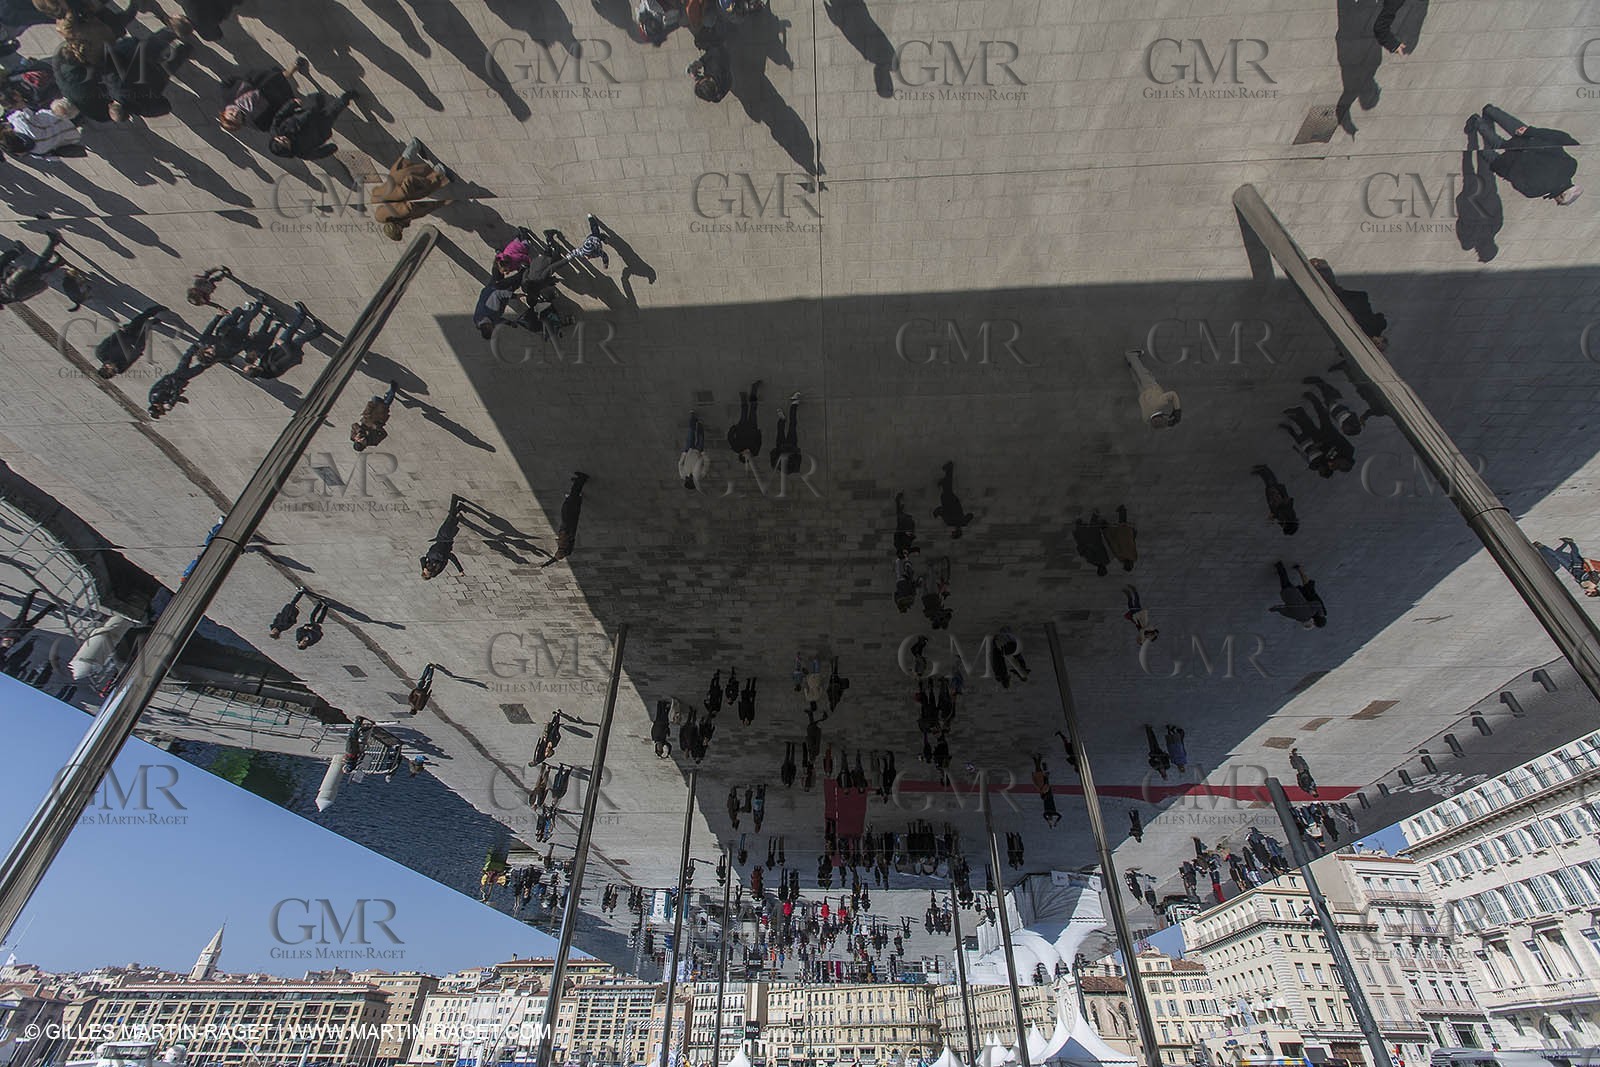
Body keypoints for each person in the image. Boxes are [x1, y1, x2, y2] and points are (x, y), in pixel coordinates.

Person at [1469, 106, 1582, 205]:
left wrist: (1531, 132)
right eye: (1558, 201)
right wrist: (1505, 168)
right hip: (1509, 162)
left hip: (1530, 143)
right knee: (1496, 145)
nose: (1555, 201)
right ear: (1561, 196)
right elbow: (1516, 181)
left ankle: (1491, 110)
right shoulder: (1535, 192)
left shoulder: (1571, 165)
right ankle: (1477, 121)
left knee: (1515, 127)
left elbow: (1555, 145)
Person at [372, 137, 454, 240]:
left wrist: (441, 203)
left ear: (397, 228)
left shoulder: (399, 214)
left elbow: (413, 208)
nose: (402, 230)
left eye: (400, 231)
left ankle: (439, 171)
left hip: (400, 190)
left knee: (424, 188)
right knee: (401, 167)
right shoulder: (383, 216)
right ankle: (414, 146)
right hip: (389, 188)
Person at [1309, 259, 1390, 347]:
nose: (1376, 342)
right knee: (1333, 289)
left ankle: (1319, 268)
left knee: (1332, 290)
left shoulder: (1364, 338)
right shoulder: (1374, 328)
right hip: (1350, 304)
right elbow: (1378, 318)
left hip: (1347, 307)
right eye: (1379, 342)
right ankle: (1319, 268)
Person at [217, 57, 303, 132]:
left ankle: (291, 70)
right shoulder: (256, 123)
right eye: (236, 118)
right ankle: (292, 70)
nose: (235, 113)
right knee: (282, 80)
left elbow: (226, 82)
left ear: (224, 112)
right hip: (275, 95)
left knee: (277, 75)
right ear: (240, 123)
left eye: (231, 114)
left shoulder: (226, 96)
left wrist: (244, 77)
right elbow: (274, 121)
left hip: (260, 80)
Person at [242, 301, 322, 380]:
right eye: (250, 366)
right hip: (292, 350)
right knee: (301, 338)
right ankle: (318, 330)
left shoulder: (262, 367)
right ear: (254, 368)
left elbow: (266, 354)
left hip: (279, 348)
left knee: (290, 330)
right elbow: (290, 355)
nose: (251, 364)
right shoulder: (274, 368)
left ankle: (302, 315)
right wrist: (282, 344)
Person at [269, 89, 357, 158]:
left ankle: (322, 98)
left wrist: (292, 104)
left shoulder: (276, 129)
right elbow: (318, 153)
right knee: (335, 109)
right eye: (284, 142)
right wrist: (331, 148)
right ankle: (347, 96)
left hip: (308, 112)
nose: (283, 138)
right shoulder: (301, 152)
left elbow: (280, 115)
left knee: (318, 97)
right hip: (321, 126)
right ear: (288, 149)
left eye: (279, 138)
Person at [94, 304, 165, 378]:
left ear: (106, 366)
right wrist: (138, 352)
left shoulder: (101, 353)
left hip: (125, 335)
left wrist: (120, 331)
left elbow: (109, 341)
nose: (115, 370)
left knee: (139, 320)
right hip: (135, 345)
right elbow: (131, 361)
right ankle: (153, 321)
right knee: (145, 329)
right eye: (114, 372)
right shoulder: (120, 369)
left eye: (113, 370)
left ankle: (155, 310)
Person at [147, 337, 212, 418]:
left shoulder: (157, 396)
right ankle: (196, 347)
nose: (163, 411)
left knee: (199, 368)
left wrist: (172, 402)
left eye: (161, 411)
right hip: (177, 379)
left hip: (176, 379)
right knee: (185, 362)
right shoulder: (158, 400)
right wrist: (179, 399)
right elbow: (170, 395)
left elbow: (172, 391)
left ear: (157, 408)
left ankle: (214, 356)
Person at [0, 232, 66, 308]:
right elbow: (31, 289)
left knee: (41, 266)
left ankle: (58, 262)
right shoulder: (12, 294)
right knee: (41, 260)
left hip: (28, 276)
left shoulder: (7, 294)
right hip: (30, 276)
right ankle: (53, 242)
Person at [541, 472, 589, 568]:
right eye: (557, 553)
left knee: (570, 501)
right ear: (562, 552)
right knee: (571, 500)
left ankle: (577, 484)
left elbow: (555, 558)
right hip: (569, 518)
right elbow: (560, 553)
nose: (556, 553)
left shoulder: (564, 547)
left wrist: (546, 564)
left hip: (568, 519)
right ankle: (581, 479)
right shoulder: (567, 538)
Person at [1125, 348, 1180, 428]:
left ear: (1161, 415)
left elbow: (1173, 394)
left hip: (1149, 386)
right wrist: (1167, 424)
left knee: (1142, 372)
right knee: (1136, 379)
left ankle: (1131, 355)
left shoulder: (1160, 403)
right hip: (1142, 394)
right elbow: (1150, 423)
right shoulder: (1145, 418)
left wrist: (1177, 410)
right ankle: (1130, 364)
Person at [0, 103, 80, 154]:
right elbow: (25, 109)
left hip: (72, 132)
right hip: (60, 116)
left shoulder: (37, 152)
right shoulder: (20, 124)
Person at [1534, 537, 1600, 597]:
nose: (1586, 592)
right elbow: (1592, 570)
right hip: (1578, 564)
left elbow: (1576, 577)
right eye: (1588, 592)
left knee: (1557, 557)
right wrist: (1588, 562)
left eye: (1586, 593)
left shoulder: (1584, 586)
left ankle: (1541, 547)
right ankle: (1571, 542)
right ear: (1594, 590)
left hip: (1570, 568)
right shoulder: (1595, 580)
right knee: (1574, 553)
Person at [1270, 561, 1327, 628]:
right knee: (1304, 583)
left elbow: (1317, 604)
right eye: (1315, 624)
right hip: (1309, 596)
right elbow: (1317, 603)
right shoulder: (1315, 614)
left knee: (1290, 584)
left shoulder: (1313, 614)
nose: (1314, 624)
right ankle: (1297, 569)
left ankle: (1287, 570)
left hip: (1303, 597)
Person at [421, 495, 466, 579]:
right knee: (452, 520)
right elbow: (452, 557)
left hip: (444, 537)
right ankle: (459, 507)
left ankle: (455, 500)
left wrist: (424, 568)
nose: (427, 568)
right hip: (445, 538)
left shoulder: (431, 561)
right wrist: (460, 570)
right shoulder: (440, 558)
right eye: (428, 571)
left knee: (451, 518)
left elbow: (422, 559)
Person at [1251, 464, 1299, 536]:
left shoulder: (1284, 521)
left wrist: (1273, 516)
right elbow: (1284, 508)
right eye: (1284, 527)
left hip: (1274, 500)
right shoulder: (1290, 517)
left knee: (1269, 484)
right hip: (1278, 497)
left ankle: (1261, 472)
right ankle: (1264, 469)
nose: (1282, 527)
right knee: (1271, 482)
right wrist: (1274, 515)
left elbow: (1278, 514)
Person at [351, 382, 398, 451]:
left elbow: (354, 425)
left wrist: (359, 431)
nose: (363, 439)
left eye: (360, 440)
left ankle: (388, 395)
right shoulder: (373, 441)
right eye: (363, 442)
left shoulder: (354, 436)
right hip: (379, 418)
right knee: (385, 404)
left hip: (368, 415)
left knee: (375, 399)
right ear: (365, 446)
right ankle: (393, 389)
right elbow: (384, 434)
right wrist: (376, 427)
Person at [933, 461, 974, 538]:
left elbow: (970, 515)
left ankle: (946, 476)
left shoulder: (962, 522)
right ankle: (949, 469)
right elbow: (942, 512)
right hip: (949, 503)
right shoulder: (950, 523)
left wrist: (965, 520)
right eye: (953, 533)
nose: (952, 532)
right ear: (956, 532)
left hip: (954, 503)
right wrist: (936, 513)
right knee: (947, 489)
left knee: (948, 489)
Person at [726, 380, 763, 465]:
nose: (748, 453)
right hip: (753, 427)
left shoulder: (736, 448)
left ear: (741, 454)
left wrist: (734, 428)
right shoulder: (755, 452)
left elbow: (730, 437)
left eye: (746, 454)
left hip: (742, 427)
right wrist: (759, 433)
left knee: (744, 411)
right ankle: (754, 390)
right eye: (749, 455)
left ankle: (743, 398)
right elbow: (759, 442)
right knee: (753, 409)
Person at [687, 32, 731, 102]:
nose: (697, 80)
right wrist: (701, 62)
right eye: (699, 81)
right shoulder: (715, 66)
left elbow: (715, 100)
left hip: (725, 66)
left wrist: (698, 77)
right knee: (699, 40)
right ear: (708, 79)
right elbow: (715, 51)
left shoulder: (715, 94)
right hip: (720, 49)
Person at [768, 393, 802, 474]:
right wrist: (795, 450)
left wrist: (777, 450)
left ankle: (782, 419)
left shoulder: (776, 466)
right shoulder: (794, 468)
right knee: (791, 426)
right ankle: (794, 405)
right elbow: (799, 457)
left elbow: (772, 454)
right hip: (791, 445)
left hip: (782, 446)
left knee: (785, 428)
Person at [1104, 504, 1137, 571]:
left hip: (1128, 537)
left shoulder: (1134, 558)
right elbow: (1115, 546)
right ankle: (1122, 510)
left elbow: (1134, 546)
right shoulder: (1121, 558)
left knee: (1123, 524)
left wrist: (1134, 535)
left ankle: (1122, 511)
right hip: (1121, 538)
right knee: (1121, 525)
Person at [679, 411, 707, 489]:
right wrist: (703, 456)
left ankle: (693, 418)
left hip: (689, 451)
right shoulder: (699, 476)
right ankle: (699, 424)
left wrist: (684, 453)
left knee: (691, 434)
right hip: (698, 452)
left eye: (688, 480)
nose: (689, 479)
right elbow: (705, 467)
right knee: (700, 436)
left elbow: (680, 464)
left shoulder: (683, 475)